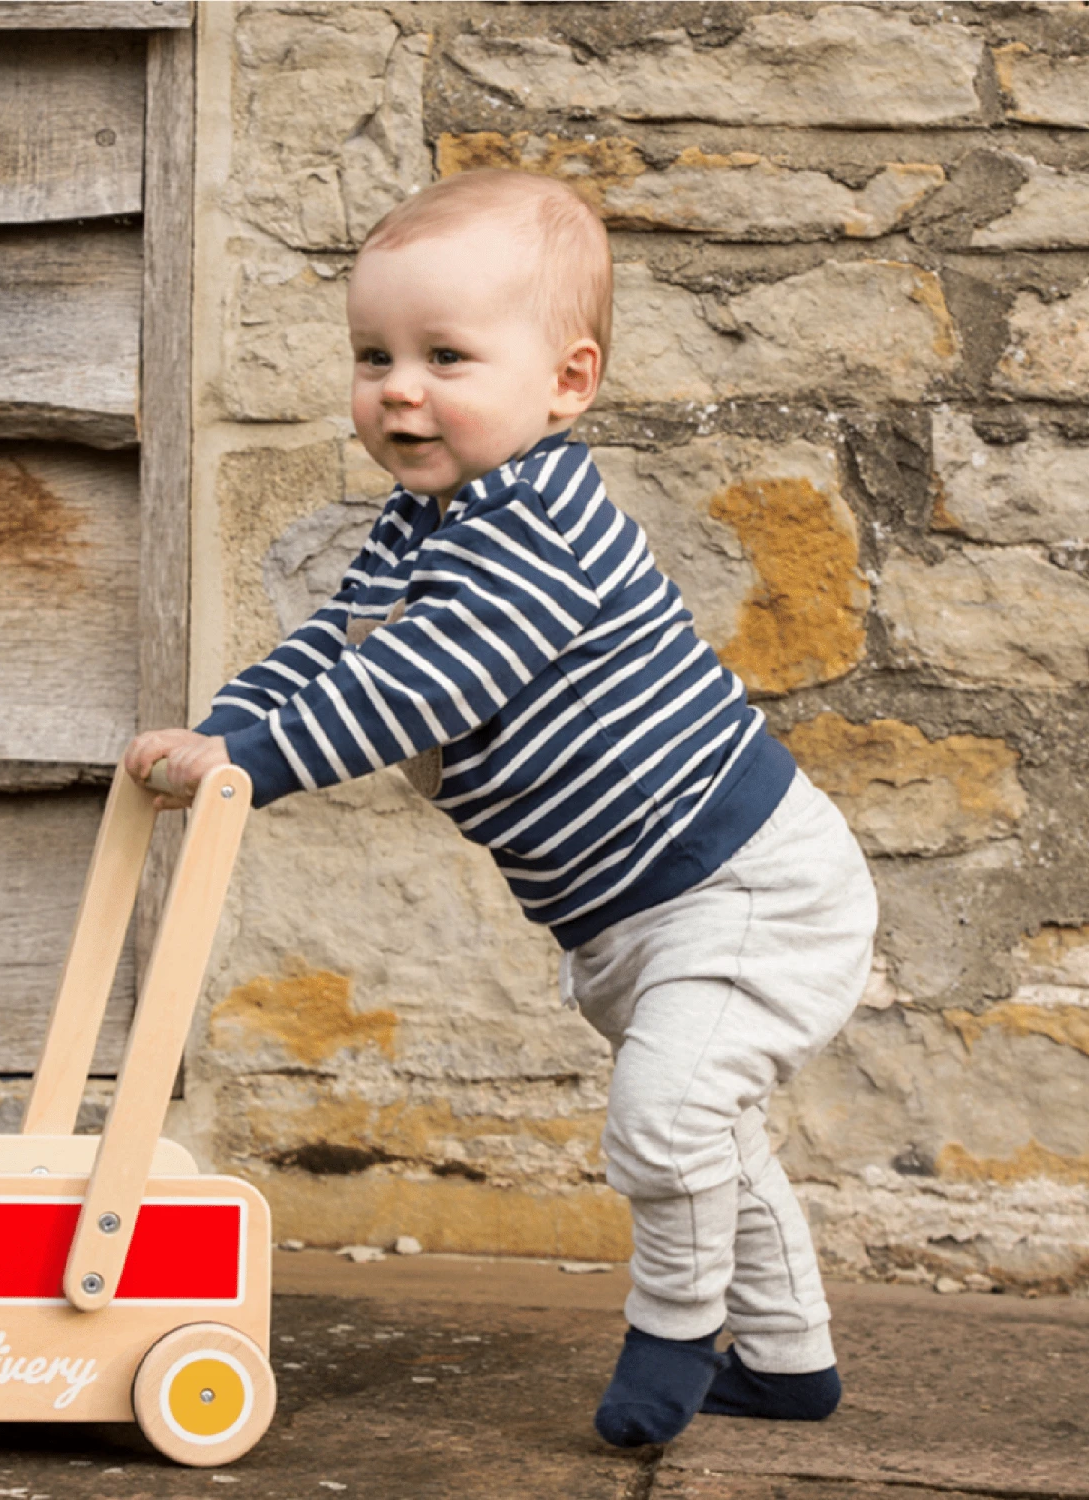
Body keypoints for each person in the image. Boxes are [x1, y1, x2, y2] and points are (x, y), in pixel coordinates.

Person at [125, 168, 877, 1448]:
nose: (399, 388)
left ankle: (674, 1337)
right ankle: (793, 1359)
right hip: (633, 912)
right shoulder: (423, 525)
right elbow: (337, 649)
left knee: (665, 1123)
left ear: (565, 384)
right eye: (375, 355)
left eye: (446, 356)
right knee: (713, 1128)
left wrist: (265, 765)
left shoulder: (540, 531)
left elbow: (419, 684)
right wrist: (221, 732)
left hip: (744, 886)